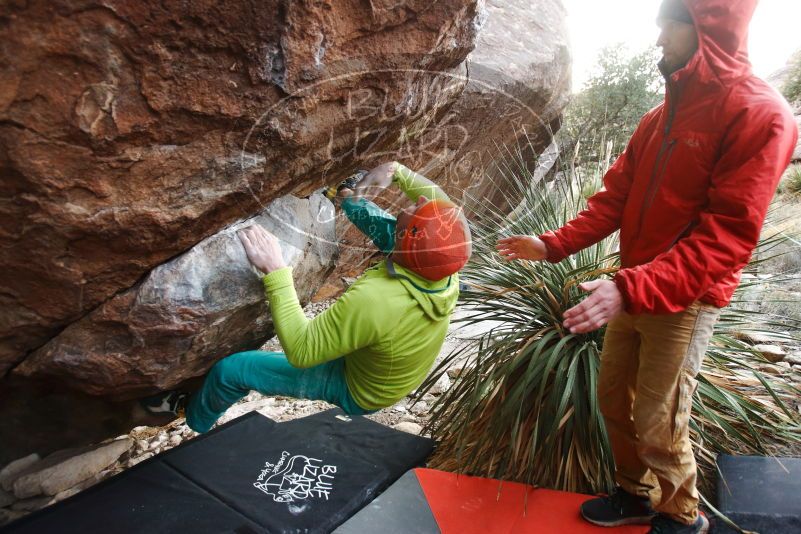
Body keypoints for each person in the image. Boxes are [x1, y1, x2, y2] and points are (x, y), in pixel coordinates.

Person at [496, 1, 797, 533]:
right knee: (614, 400)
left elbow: (727, 236)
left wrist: (629, 287)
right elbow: (615, 198)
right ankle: (635, 494)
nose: (659, 39)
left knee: (660, 418)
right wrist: (553, 245)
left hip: (685, 298)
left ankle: (681, 517)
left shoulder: (760, 114)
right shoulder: (660, 118)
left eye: (668, 25)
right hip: (631, 289)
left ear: (705, 28)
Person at [143, 161, 471, 435]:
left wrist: (276, 271)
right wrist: (397, 171)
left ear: (408, 239)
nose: (414, 201)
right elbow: (436, 204)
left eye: (415, 209)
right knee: (373, 216)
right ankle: (345, 196)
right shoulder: (444, 259)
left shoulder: (376, 300)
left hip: (360, 388)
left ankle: (192, 416)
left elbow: (302, 350)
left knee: (232, 370)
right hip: (386, 360)